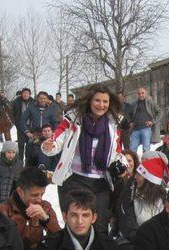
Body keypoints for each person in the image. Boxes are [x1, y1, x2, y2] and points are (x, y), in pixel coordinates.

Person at [41, 83, 124, 235]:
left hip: (100, 183)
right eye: (97, 100)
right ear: (89, 101)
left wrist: (122, 164)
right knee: (76, 227)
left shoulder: (113, 124)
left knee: (99, 228)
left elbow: (117, 152)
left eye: (105, 101)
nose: (101, 105)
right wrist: (49, 146)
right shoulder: (73, 120)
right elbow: (57, 139)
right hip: (74, 180)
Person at [114, 151, 169, 250]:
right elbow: (127, 223)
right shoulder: (130, 191)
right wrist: (146, 243)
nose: (135, 177)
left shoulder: (164, 199)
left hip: (157, 241)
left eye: (139, 175)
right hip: (133, 239)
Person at [0, 167, 61, 250]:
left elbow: (60, 238)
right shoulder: (3, 211)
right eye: (34, 195)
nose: (39, 199)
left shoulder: (45, 207)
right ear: (20, 191)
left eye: (42, 194)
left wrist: (46, 219)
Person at [129, 87, 161, 154]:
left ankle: (146, 164)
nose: (141, 95)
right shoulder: (134, 104)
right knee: (132, 149)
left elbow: (159, 112)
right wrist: (131, 122)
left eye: (142, 93)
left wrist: (152, 121)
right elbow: (129, 114)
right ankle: (133, 164)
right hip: (135, 129)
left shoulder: (150, 102)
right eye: (139, 93)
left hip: (146, 129)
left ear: (146, 93)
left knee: (146, 150)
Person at [11, 88, 34, 163]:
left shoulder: (33, 102)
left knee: (29, 145)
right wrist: (15, 121)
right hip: (20, 125)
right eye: (24, 93)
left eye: (27, 93)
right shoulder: (16, 102)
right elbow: (12, 112)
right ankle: (20, 162)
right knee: (20, 145)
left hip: (31, 126)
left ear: (29, 94)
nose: (25, 94)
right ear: (21, 94)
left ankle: (28, 162)